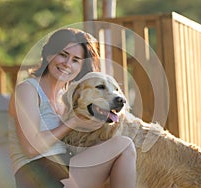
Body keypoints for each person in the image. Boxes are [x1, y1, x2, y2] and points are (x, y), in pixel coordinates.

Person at [8, 28, 137, 188]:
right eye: (63, 55)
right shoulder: (27, 90)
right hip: (36, 173)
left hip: (65, 166)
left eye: (76, 60)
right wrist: (72, 122)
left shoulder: (67, 98)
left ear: (80, 67)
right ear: (49, 55)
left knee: (123, 146)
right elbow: (30, 148)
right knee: (124, 146)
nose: (67, 64)